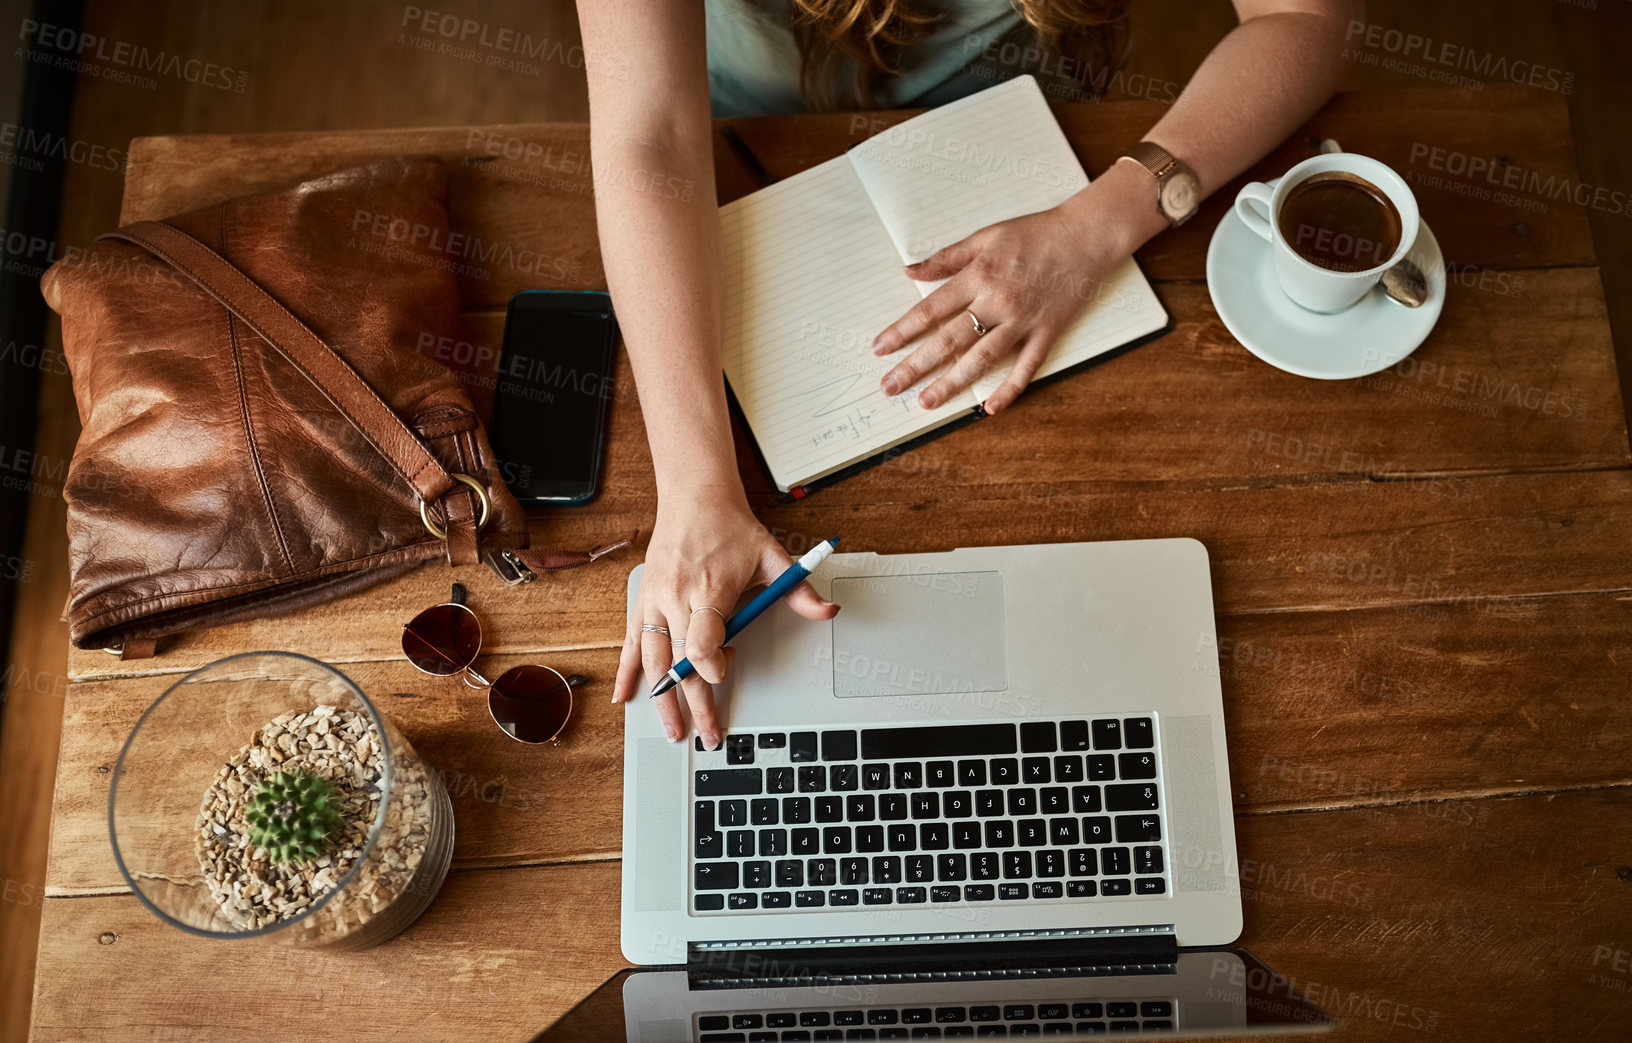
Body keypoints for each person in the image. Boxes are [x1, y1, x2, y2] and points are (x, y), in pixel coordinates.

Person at [574, 0, 1350, 747]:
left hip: (1042, 156)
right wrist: (694, 489)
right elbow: (650, 135)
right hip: (736, 144)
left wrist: (1094, 225)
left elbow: (1302, 24)